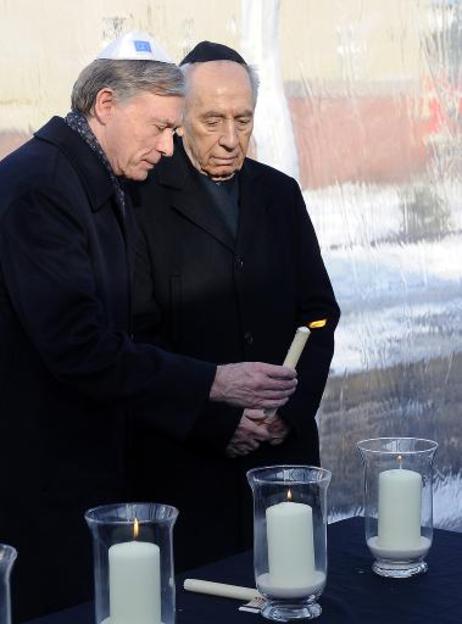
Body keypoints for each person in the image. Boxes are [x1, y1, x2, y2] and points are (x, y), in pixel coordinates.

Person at [0, 33, 297, 622]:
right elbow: (80, 346)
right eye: (161, 126)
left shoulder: (93, 179)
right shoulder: (40, 188)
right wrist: (215, 384)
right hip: (41, 477)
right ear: (106, 104)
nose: (169, 146)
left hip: (84, 469)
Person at [130, 41, 341, 571]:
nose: (230, 139)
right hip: (189, 468)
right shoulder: (141, 198)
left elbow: (318, 315)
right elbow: (136, 338)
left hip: (283, 460)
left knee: (293, 590)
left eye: (243, 120)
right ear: (178, 119)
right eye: (212, 120)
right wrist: (217, 423)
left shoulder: (279, 193)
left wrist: (286, 415)